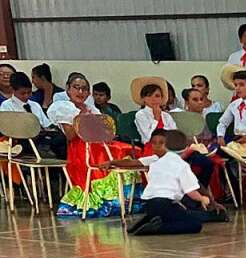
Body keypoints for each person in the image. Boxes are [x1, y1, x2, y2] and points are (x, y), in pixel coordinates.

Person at [105, 129, 224, 236]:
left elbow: (197, 184)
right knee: (194, 224)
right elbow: (192, 190)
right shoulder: (175, 164)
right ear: (186, 148)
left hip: (150, 203)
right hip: (167, 203)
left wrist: (111, 162)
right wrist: (203, 199)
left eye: (160, 143)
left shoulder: (158, 162)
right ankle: (157, 228)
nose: (157, 146)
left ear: (166, 146)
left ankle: (147, 221)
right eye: (154, 143)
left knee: (170, 213)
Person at [49, 74, 131, 218]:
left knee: (127, 149)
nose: (80, 92)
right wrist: (81, 118)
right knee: (102, 154)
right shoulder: (63, 107)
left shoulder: (91, 108)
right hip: (80, 148)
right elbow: (70, 135)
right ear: (68, 89)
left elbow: (105, 131)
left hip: (98, 144)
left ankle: (125, 197)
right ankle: (102, 198)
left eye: (84, 89)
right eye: (76, 88)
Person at [0, 72, 66, 158]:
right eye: (23, 93)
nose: (27, 96)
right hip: (22, 139)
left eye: (29, 92)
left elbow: (47, 124)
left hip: (41, 137)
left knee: (61, 139)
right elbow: (8, 130)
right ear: (13, 90)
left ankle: (59, 168)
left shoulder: (35, 105)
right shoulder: (6, 106)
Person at [133, 79, 177, 151]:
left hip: (169, 147)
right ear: (143, 99)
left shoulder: (166, 115)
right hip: (151, 148)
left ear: (161, 98)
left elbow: (174, 134)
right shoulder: (141, 114)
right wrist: (156, 119)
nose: (153, 99)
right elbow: (148, 137)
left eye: (157, 96)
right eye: (149, 96)